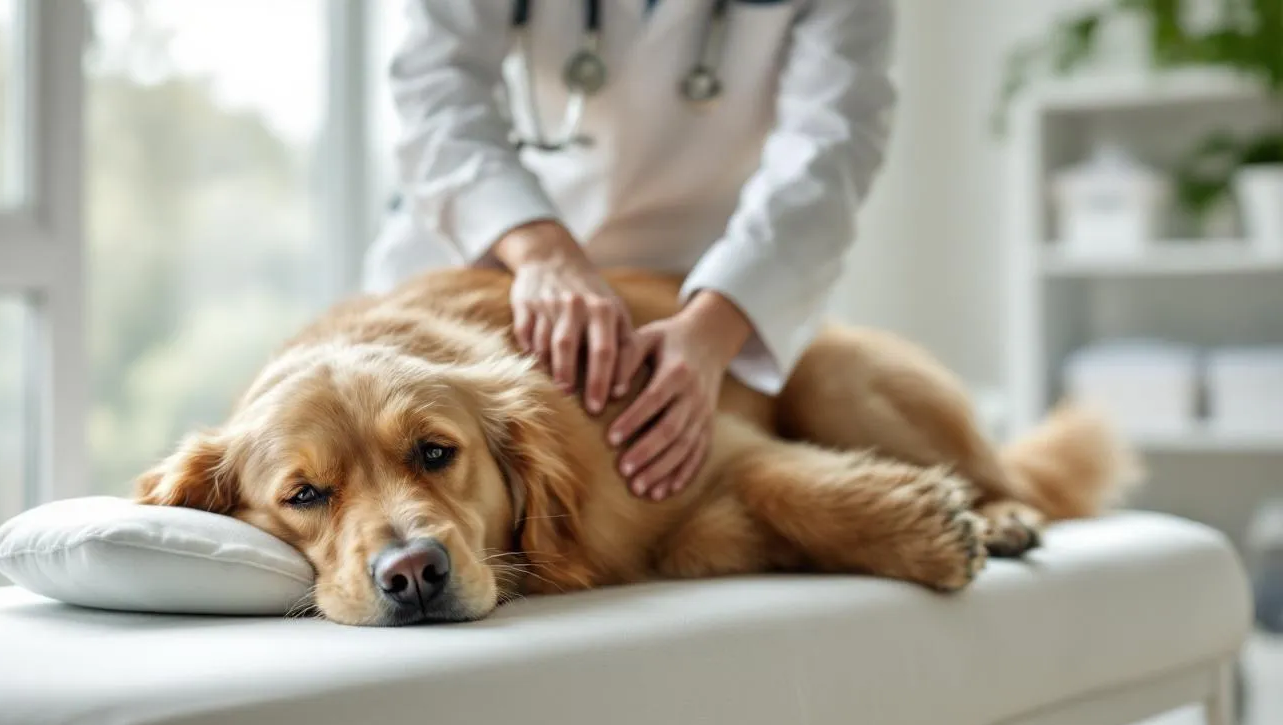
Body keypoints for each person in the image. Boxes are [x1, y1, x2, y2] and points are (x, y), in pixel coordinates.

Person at [365, 0, 896, 500]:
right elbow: (436, 87)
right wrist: (542, 251)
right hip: (478, 252)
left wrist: (716, 327)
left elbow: (832, 144)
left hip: (685, 281)